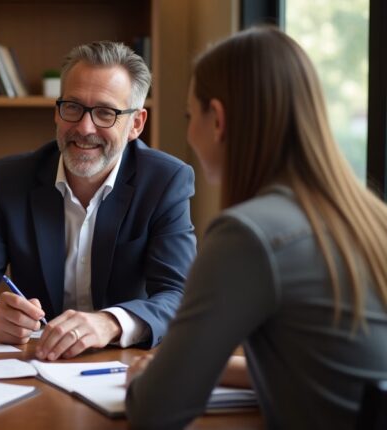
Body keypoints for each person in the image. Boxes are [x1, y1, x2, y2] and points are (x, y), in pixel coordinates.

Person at [125, 27, 387, 429]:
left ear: (219, 120)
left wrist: (144, 379)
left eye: (190, 115)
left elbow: (155, 413)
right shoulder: (368, 216)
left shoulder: (248, 236)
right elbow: (325, 369)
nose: (189, 131)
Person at [0, 41, 197, 361]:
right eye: (73, 107)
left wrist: (110, 323)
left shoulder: (164, 181)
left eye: (105, 112)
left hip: (124, 364)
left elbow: (180, 295)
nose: (84, 127)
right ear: (57, 112)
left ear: (136, 124)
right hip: (35, 361)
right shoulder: (10, 179)